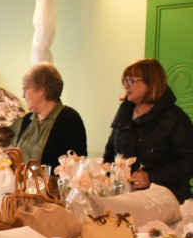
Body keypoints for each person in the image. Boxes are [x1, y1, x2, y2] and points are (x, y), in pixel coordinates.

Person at [103, 58, 193, 203]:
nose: (126, 86)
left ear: (150, 83)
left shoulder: (175, 118)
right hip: (126, 198)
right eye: (124, 81)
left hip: (166, 201)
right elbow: (109, 156)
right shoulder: (124, 114)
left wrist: (151, 177)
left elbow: (189, 162)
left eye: (131, 81)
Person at [14, 62, 87, 171]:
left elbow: (75, 169)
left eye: (25, 89)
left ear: (40, 90)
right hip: (22, 188)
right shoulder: (27, 120)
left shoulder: (70, 120)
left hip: (52, 188)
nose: (23, 95)